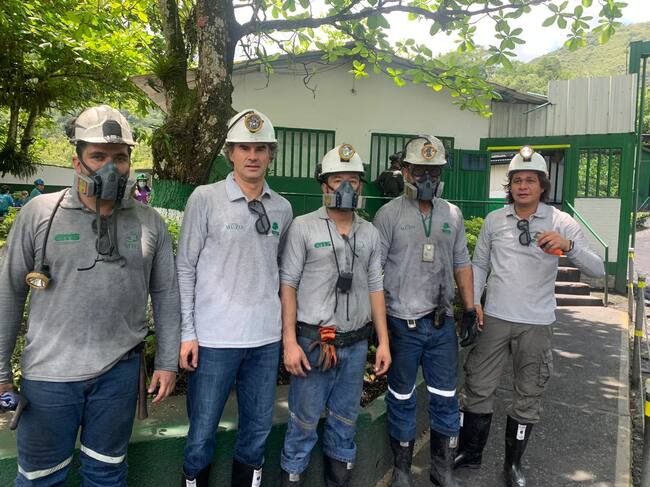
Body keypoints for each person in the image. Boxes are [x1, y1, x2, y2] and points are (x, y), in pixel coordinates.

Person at [0, 104, 181, 486]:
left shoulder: (149, 222)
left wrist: (167, 362)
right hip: (49, 377)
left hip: (118, 374)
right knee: (39, 478)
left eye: (120, 158)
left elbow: (166, 294)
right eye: (98, 156)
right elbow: (9, 292)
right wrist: (1, 373)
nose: (110, 168)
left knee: (107, 475)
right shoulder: (39, 214)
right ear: (76, 161)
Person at [455, 146, 604, 487]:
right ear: (509, 186)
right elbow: (480, 264)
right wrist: (473, 303)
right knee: (477, 386)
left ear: (542, 186)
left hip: (536, 323)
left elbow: (596, 269)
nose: (523, 186)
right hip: (494, 318)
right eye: (517, 180)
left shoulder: (560, 221)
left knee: (528, 393)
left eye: (530, 180)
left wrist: (569, 247)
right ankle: (470, 453)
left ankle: (513, 465)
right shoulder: (495, 220)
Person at [177, 109, 294, 487]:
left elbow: (282, 272)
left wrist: (285, 335)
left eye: (261, 149)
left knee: (257, 433)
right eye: (244, 148)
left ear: (271, 154)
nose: (252, 156)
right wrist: (187, 333)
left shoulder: (282, 207)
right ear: (230, 153)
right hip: (214, 340)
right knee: (200, 435)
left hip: (264, 341)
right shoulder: (205, 199)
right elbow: (185, 267)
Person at [279, 144, 391, 487]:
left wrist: (383, 343)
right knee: (302, 425)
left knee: (345, 425)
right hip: (314, 344)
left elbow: (376, 287)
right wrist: (289, 342)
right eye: (337, 179)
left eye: (353, 180)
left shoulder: (369, 232)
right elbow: (288, 285)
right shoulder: (303, 227)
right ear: (323, 184)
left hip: (355, 347)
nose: (345, 187)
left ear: (361, 185)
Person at [373, 135, 477, 487]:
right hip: (402, 323)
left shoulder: (452, 214)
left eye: (434, 171)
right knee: (401, 396)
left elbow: (462, 262)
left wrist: (469, 308)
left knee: (446, 397)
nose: (427, 178)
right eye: (419, 171)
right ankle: (402, 470)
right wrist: (378, 324)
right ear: (405, 171)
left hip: (441, 324)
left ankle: (441, 468)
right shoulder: (388, 215)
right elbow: (374, 272)